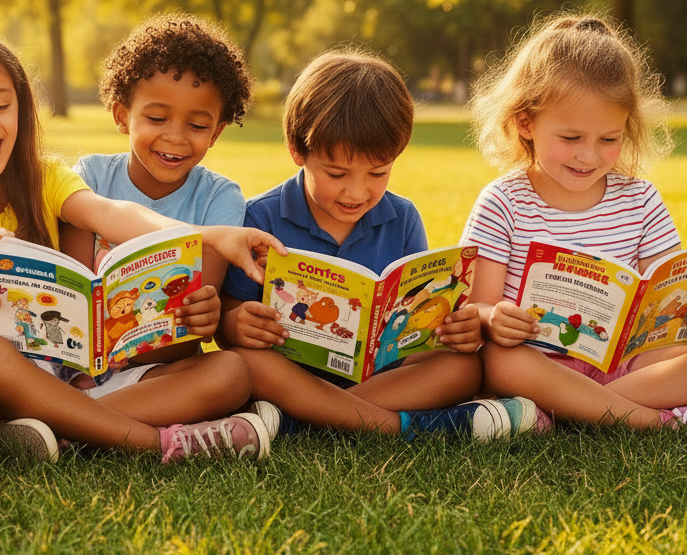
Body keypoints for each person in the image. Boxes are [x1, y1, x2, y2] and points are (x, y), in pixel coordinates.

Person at [0, 23, 281, 465]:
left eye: (1, 105)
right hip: (0, 380)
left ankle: (51, 432)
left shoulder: (48, 178)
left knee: (230, 373)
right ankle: (163, 443)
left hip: (80, 375)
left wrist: (208, 237)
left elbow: (114, 215)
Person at [218, 49, 536, 441]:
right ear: (297, 151)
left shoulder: (403, 218)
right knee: (245, 363)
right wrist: (237, 322)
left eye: (378, 172)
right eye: (337, 173)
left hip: (377, 377)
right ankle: (402, 427)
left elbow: (420, 324)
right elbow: (227, 320)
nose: (357, 191)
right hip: (291, 374)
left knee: (465, 366)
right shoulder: (259, 219)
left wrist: (456, 330)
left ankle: (306, 422)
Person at [464, 14, 687, 430]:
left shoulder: (640, 199)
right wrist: (495, 318)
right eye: (571, 138)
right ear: (526, 123)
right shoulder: (503, 202)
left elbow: (671, 296)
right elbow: (477, 306)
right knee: (500, 361)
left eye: (609, 140)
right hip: (536, 366)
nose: (589, 156)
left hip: (623, 366)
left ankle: (569, 414)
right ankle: (666, 422)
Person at [58, 13, 257, 390]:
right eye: (156, 117)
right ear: (122, 115)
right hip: (76, 364)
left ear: (216, 133)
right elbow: (76, 292)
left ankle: (80, 417)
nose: (176, 137)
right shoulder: (90, 178)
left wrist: (205, 317)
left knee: (231, 371)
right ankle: (98, 414)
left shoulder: (220, 198)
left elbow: (188, 330)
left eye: (197, 126)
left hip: (157, 370)